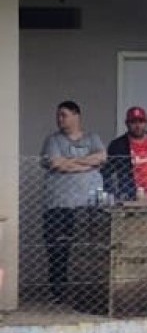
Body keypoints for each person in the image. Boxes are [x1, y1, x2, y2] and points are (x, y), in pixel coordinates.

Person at [39, 101, 107, 302]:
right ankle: (59, 293)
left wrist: (72, 163)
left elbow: (102, 157)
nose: (59, 119)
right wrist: (87, 164)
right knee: (59, 247)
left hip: (89, 204)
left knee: (87, 248)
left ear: (77, 116)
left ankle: (85, 291)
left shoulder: (92, 138)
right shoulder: (53, 140)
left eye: (64, 115)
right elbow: (56, 163)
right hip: (59, 204)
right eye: (58, 115)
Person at [104, 106, 147, 204]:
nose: (138, 126)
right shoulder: (118, 145)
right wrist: (115, 196)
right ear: (127, 124)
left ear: (146, 123)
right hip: (131, 196)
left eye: (141, 122)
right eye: (133, 122)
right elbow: (108, 172)